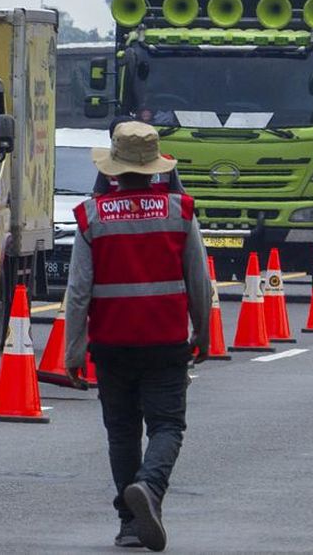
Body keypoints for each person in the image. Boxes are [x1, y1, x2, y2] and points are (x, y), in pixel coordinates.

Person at [65, 121, 211, 551]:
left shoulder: (92, 216)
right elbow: (198, 280)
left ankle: (130, 524)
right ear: (155, 168)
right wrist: (201, 331)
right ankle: (149, 485)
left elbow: (78, 291)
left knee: (121, 431)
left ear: (114, 169)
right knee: (167, 425)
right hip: (166, 341)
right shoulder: (179, 211)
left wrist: (74, 352)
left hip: (111, 344)